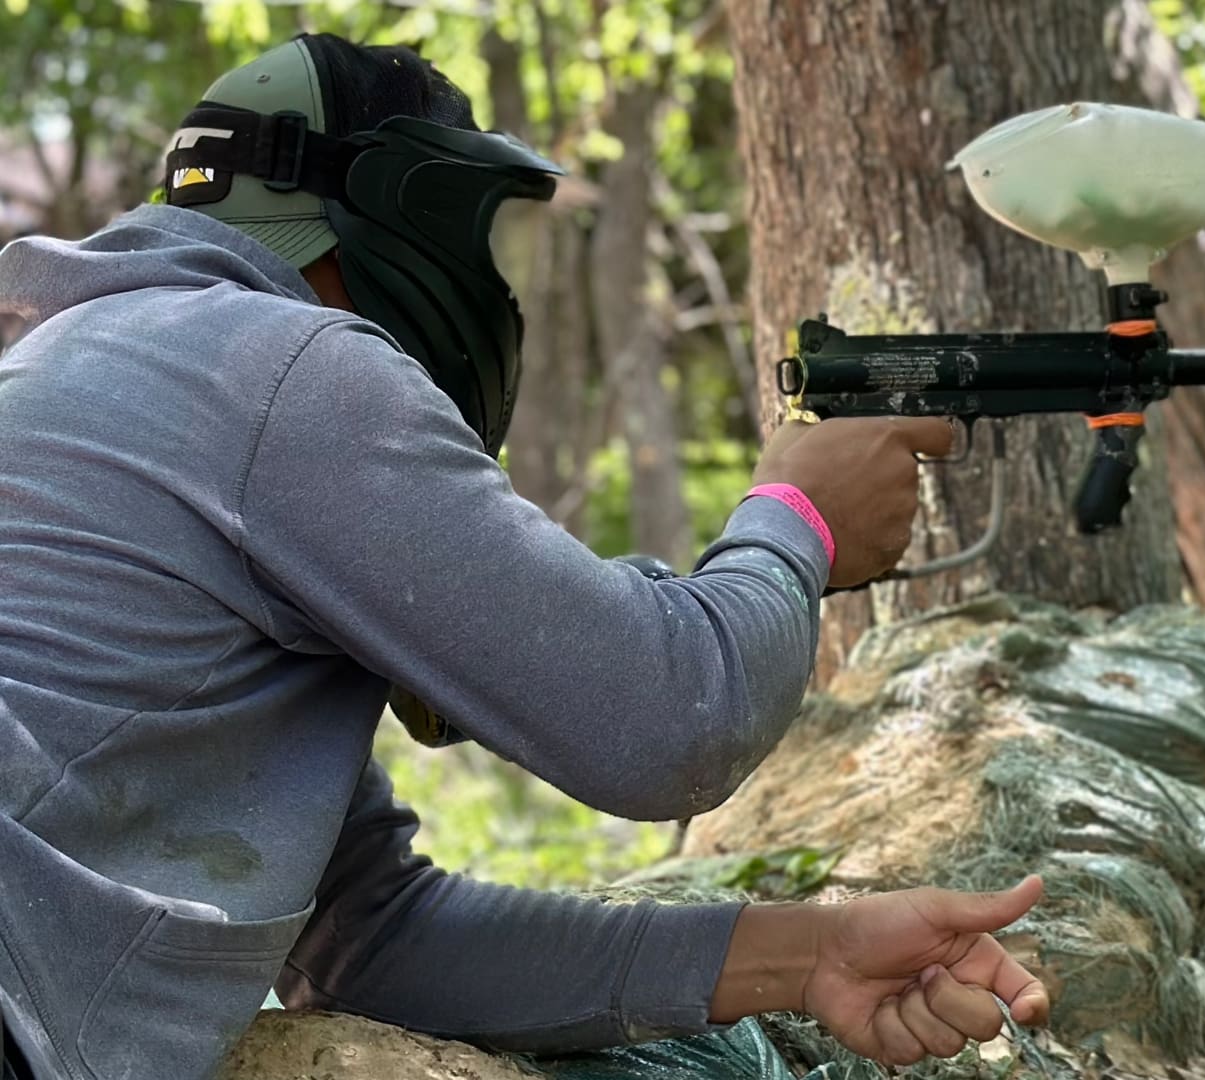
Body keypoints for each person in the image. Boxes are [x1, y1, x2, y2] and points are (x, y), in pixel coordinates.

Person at [0, 33, 1049, 1080]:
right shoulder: (278, 363)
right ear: (400, 213)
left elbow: (373, 939)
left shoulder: (82, 369)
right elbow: (674, 719)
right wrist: (797, 518)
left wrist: (816, 954)